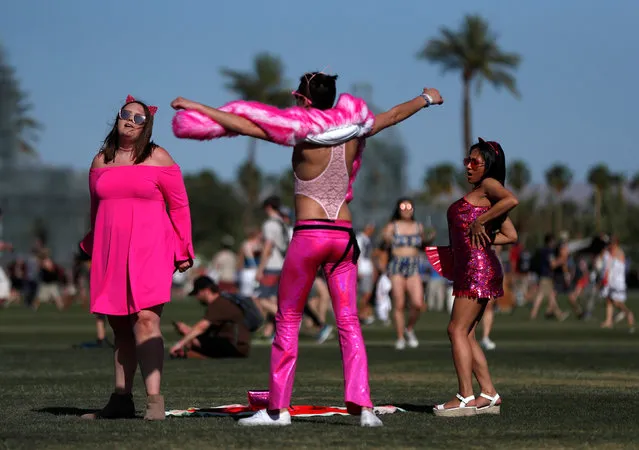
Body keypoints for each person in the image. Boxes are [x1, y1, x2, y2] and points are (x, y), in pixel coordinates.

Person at [172, 74, 443, 427]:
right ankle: (364, 410)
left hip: (310, 236)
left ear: (304, 100)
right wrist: (425, 98)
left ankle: (278, 411)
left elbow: (244, 124)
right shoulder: (356, 127)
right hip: (344, 236)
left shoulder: (301, 131)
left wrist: (196, 107)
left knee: (287, 321)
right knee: (348, 322)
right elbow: (391, 115)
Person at [80, 95, 194, 421]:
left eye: (138, 118)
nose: (130, 120)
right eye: (125, 114)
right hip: (110, 249)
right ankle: (121, 399)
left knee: (146, 320)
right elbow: (96, 209)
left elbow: (180, 206)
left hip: (151, 248)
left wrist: (184, 247)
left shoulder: (158, 157)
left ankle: (154, 401)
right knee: (119, 327)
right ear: (117, 118)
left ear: (147, 126)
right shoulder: (100, 161)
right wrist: (92, 243)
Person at [426, 138, 518, 417]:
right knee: (467, 333)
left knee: (455, 330)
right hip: (473, 267)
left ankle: (465, 396)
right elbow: (510, 235)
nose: (467, 166)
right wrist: (485, 234)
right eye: (466, 161)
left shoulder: (489, 186)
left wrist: (480, 222)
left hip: (477, 269)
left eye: (474, 162)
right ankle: (488, 393)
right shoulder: (482, 193)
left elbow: (512, 199)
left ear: (487, 165)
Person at [170, 276, 252, 358]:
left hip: (234, 347)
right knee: (195, 340)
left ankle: (185, 354)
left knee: (193, 342)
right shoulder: (222, 301)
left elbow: (201, 327)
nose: (197, 298)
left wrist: (180, 343)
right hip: (237, 346)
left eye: (197, 293)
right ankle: (187, 354)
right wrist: (189, 331)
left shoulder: (218, 304)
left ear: (206, 291)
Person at [382, 198, 426, 350]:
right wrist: (387, 238)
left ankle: (409, 328)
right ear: (398, 209)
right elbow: (384, 241)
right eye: (403, 206)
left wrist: (428, 238)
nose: (406, 209)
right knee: (399, 303)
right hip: (397, 265)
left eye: (409, 206)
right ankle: (400, 337)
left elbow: (424, 243)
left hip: (413, 265)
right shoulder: (392, 226)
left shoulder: (418, 226)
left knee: (418, 303)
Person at [600, 236, 635, 332]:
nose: (610, 245)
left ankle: (628, 313)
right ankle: (608, 321)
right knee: (609, 300)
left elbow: (611, 259)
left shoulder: (618, 252)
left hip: (618, 282)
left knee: (616, 301)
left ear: (615, 243)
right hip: (612, 281)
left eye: (611, 243)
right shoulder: (611, 252)